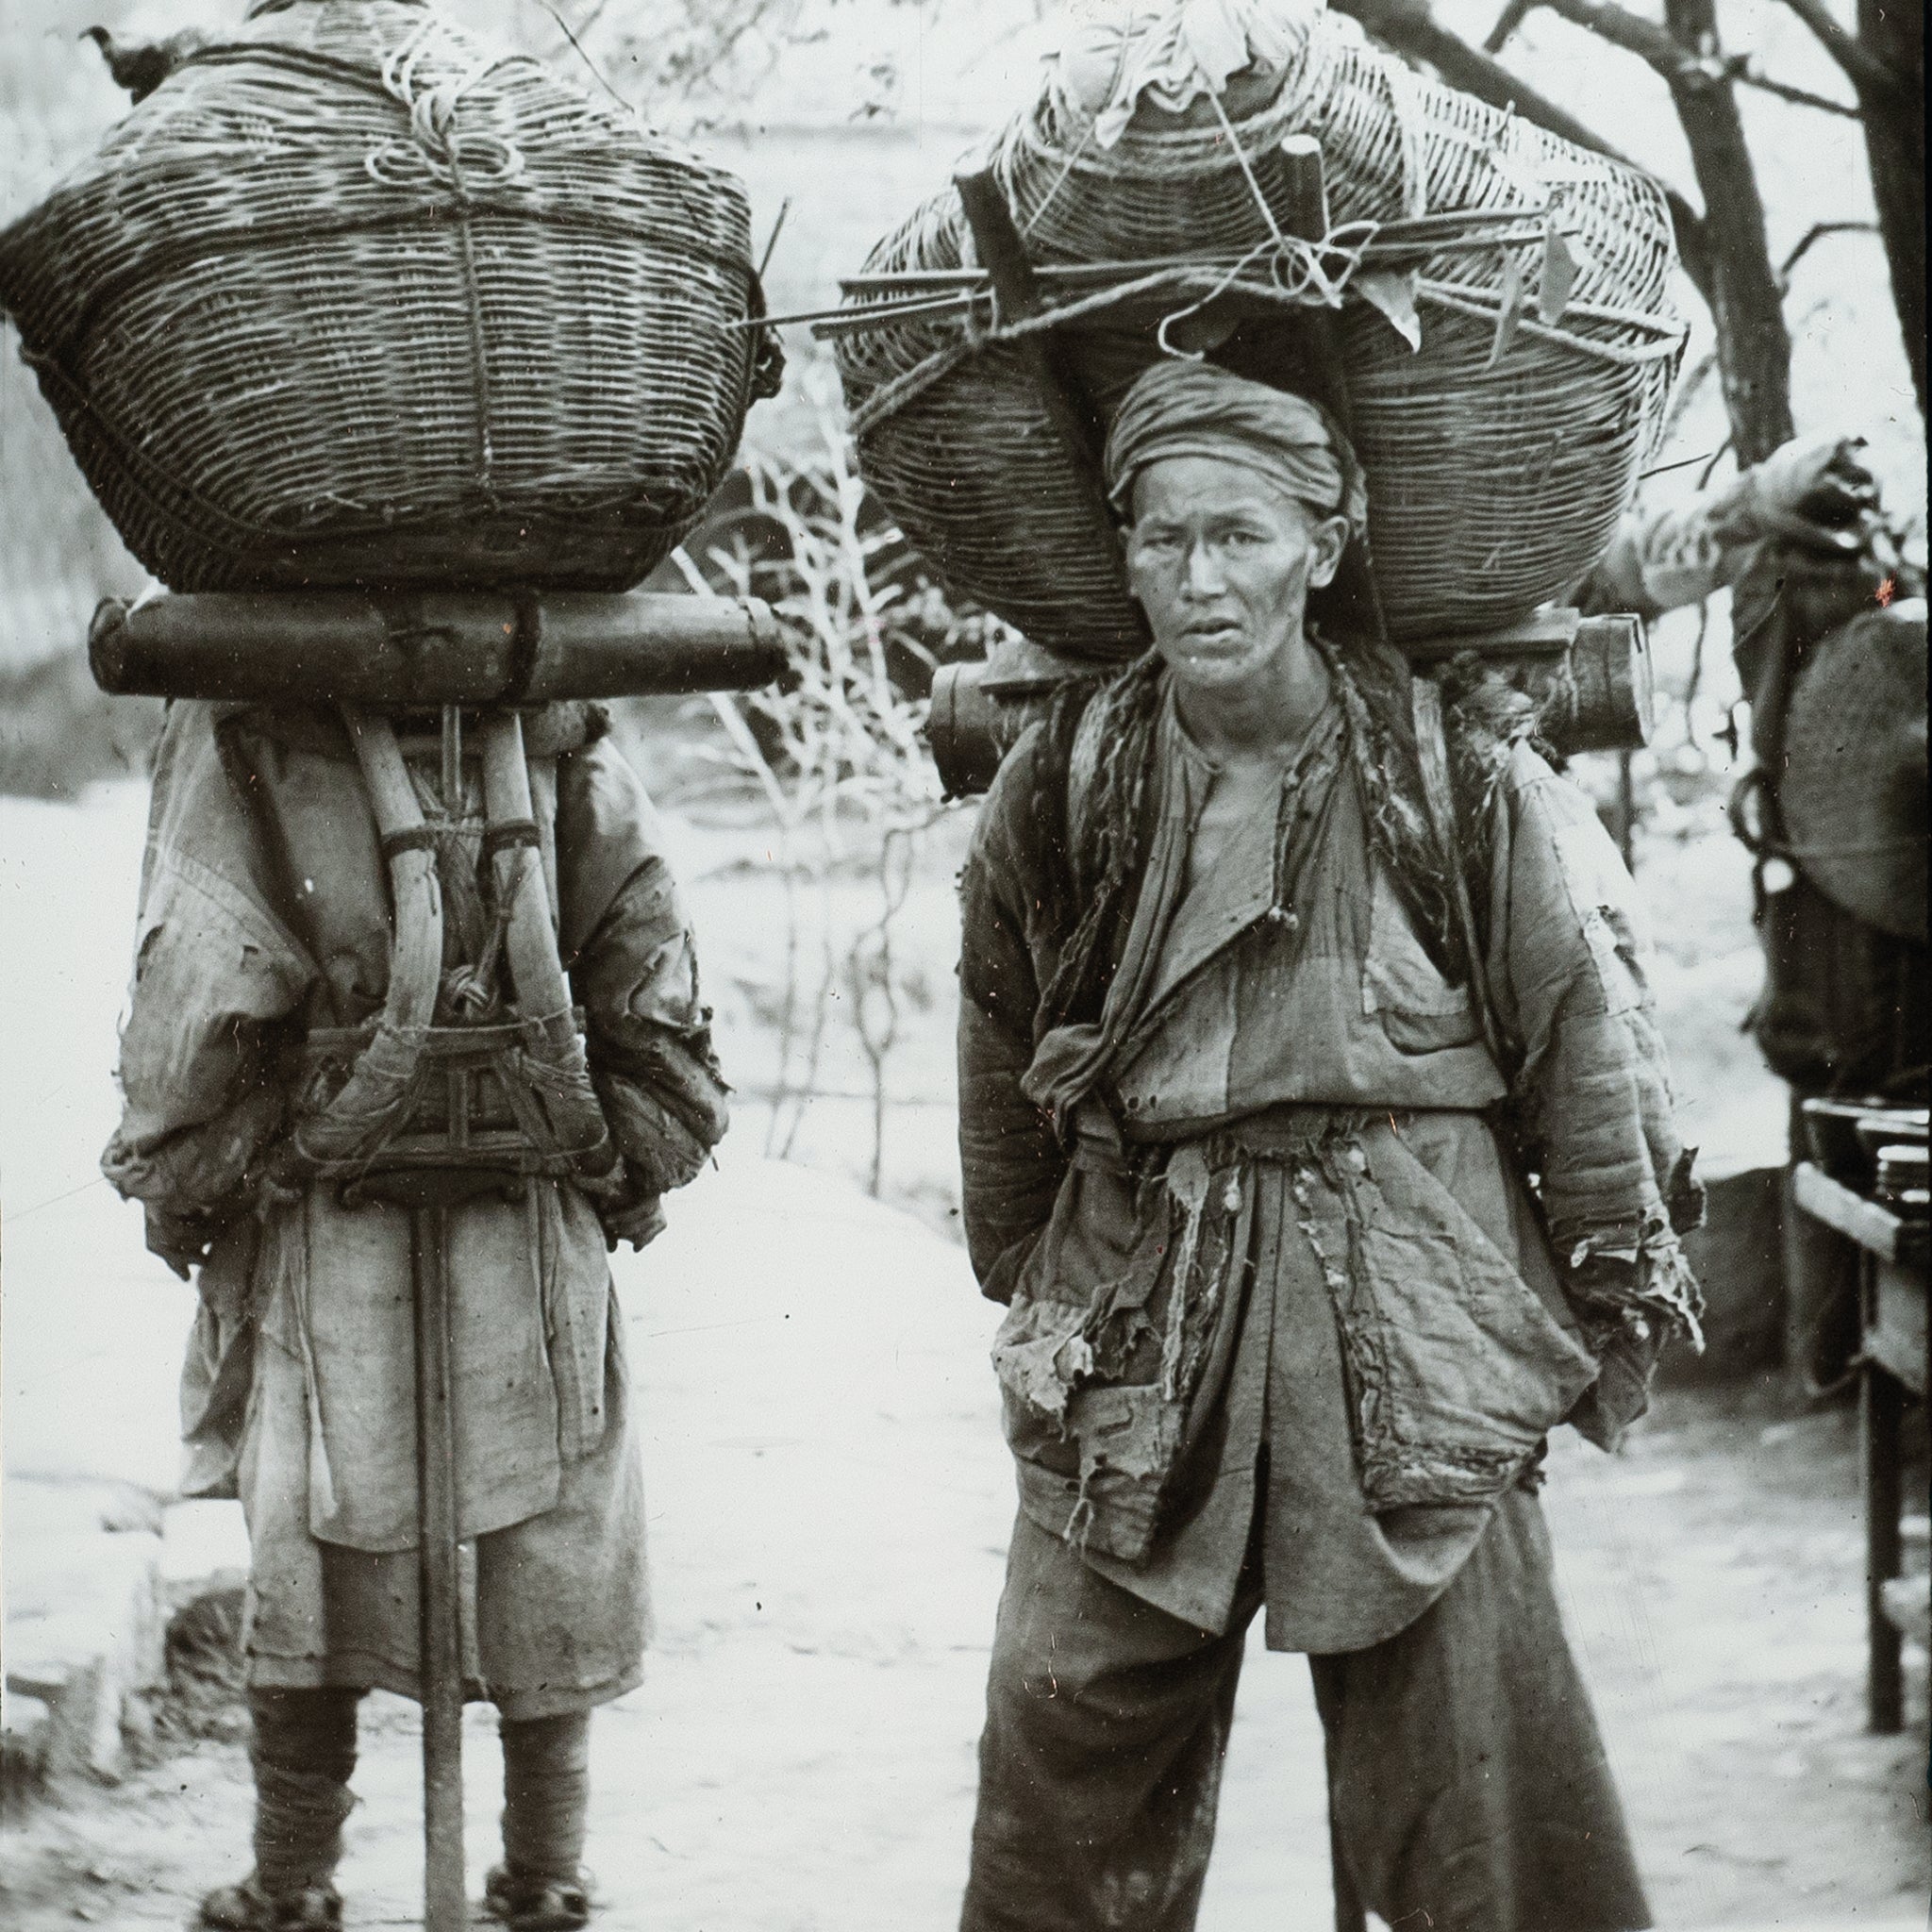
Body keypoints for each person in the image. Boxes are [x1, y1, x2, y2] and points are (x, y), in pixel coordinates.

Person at [953, 358, 1705, 1932]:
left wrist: (1588, 1297)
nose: (1201, 577)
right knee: (1064, 1724)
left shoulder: (1451, 777)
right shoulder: (1070, 779)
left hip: (1413, 1294)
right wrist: (1038, 1281)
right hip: (1147, 1292)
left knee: (1469, 1768)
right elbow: (998, 1035)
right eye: (1163, 539)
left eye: (1241, 534)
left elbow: (1575, 1033)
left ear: (1327, 543)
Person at [101, 696, 728, 1932]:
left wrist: (183, 1179)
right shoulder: (556, 711)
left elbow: (192, 992)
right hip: (528, 1204)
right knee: (552, 1522)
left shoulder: (247, 718)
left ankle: (294, 1882)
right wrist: (631, 1155)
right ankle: (541, 1875)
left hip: (329, 1214)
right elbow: (650, 958)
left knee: (311, 1534)